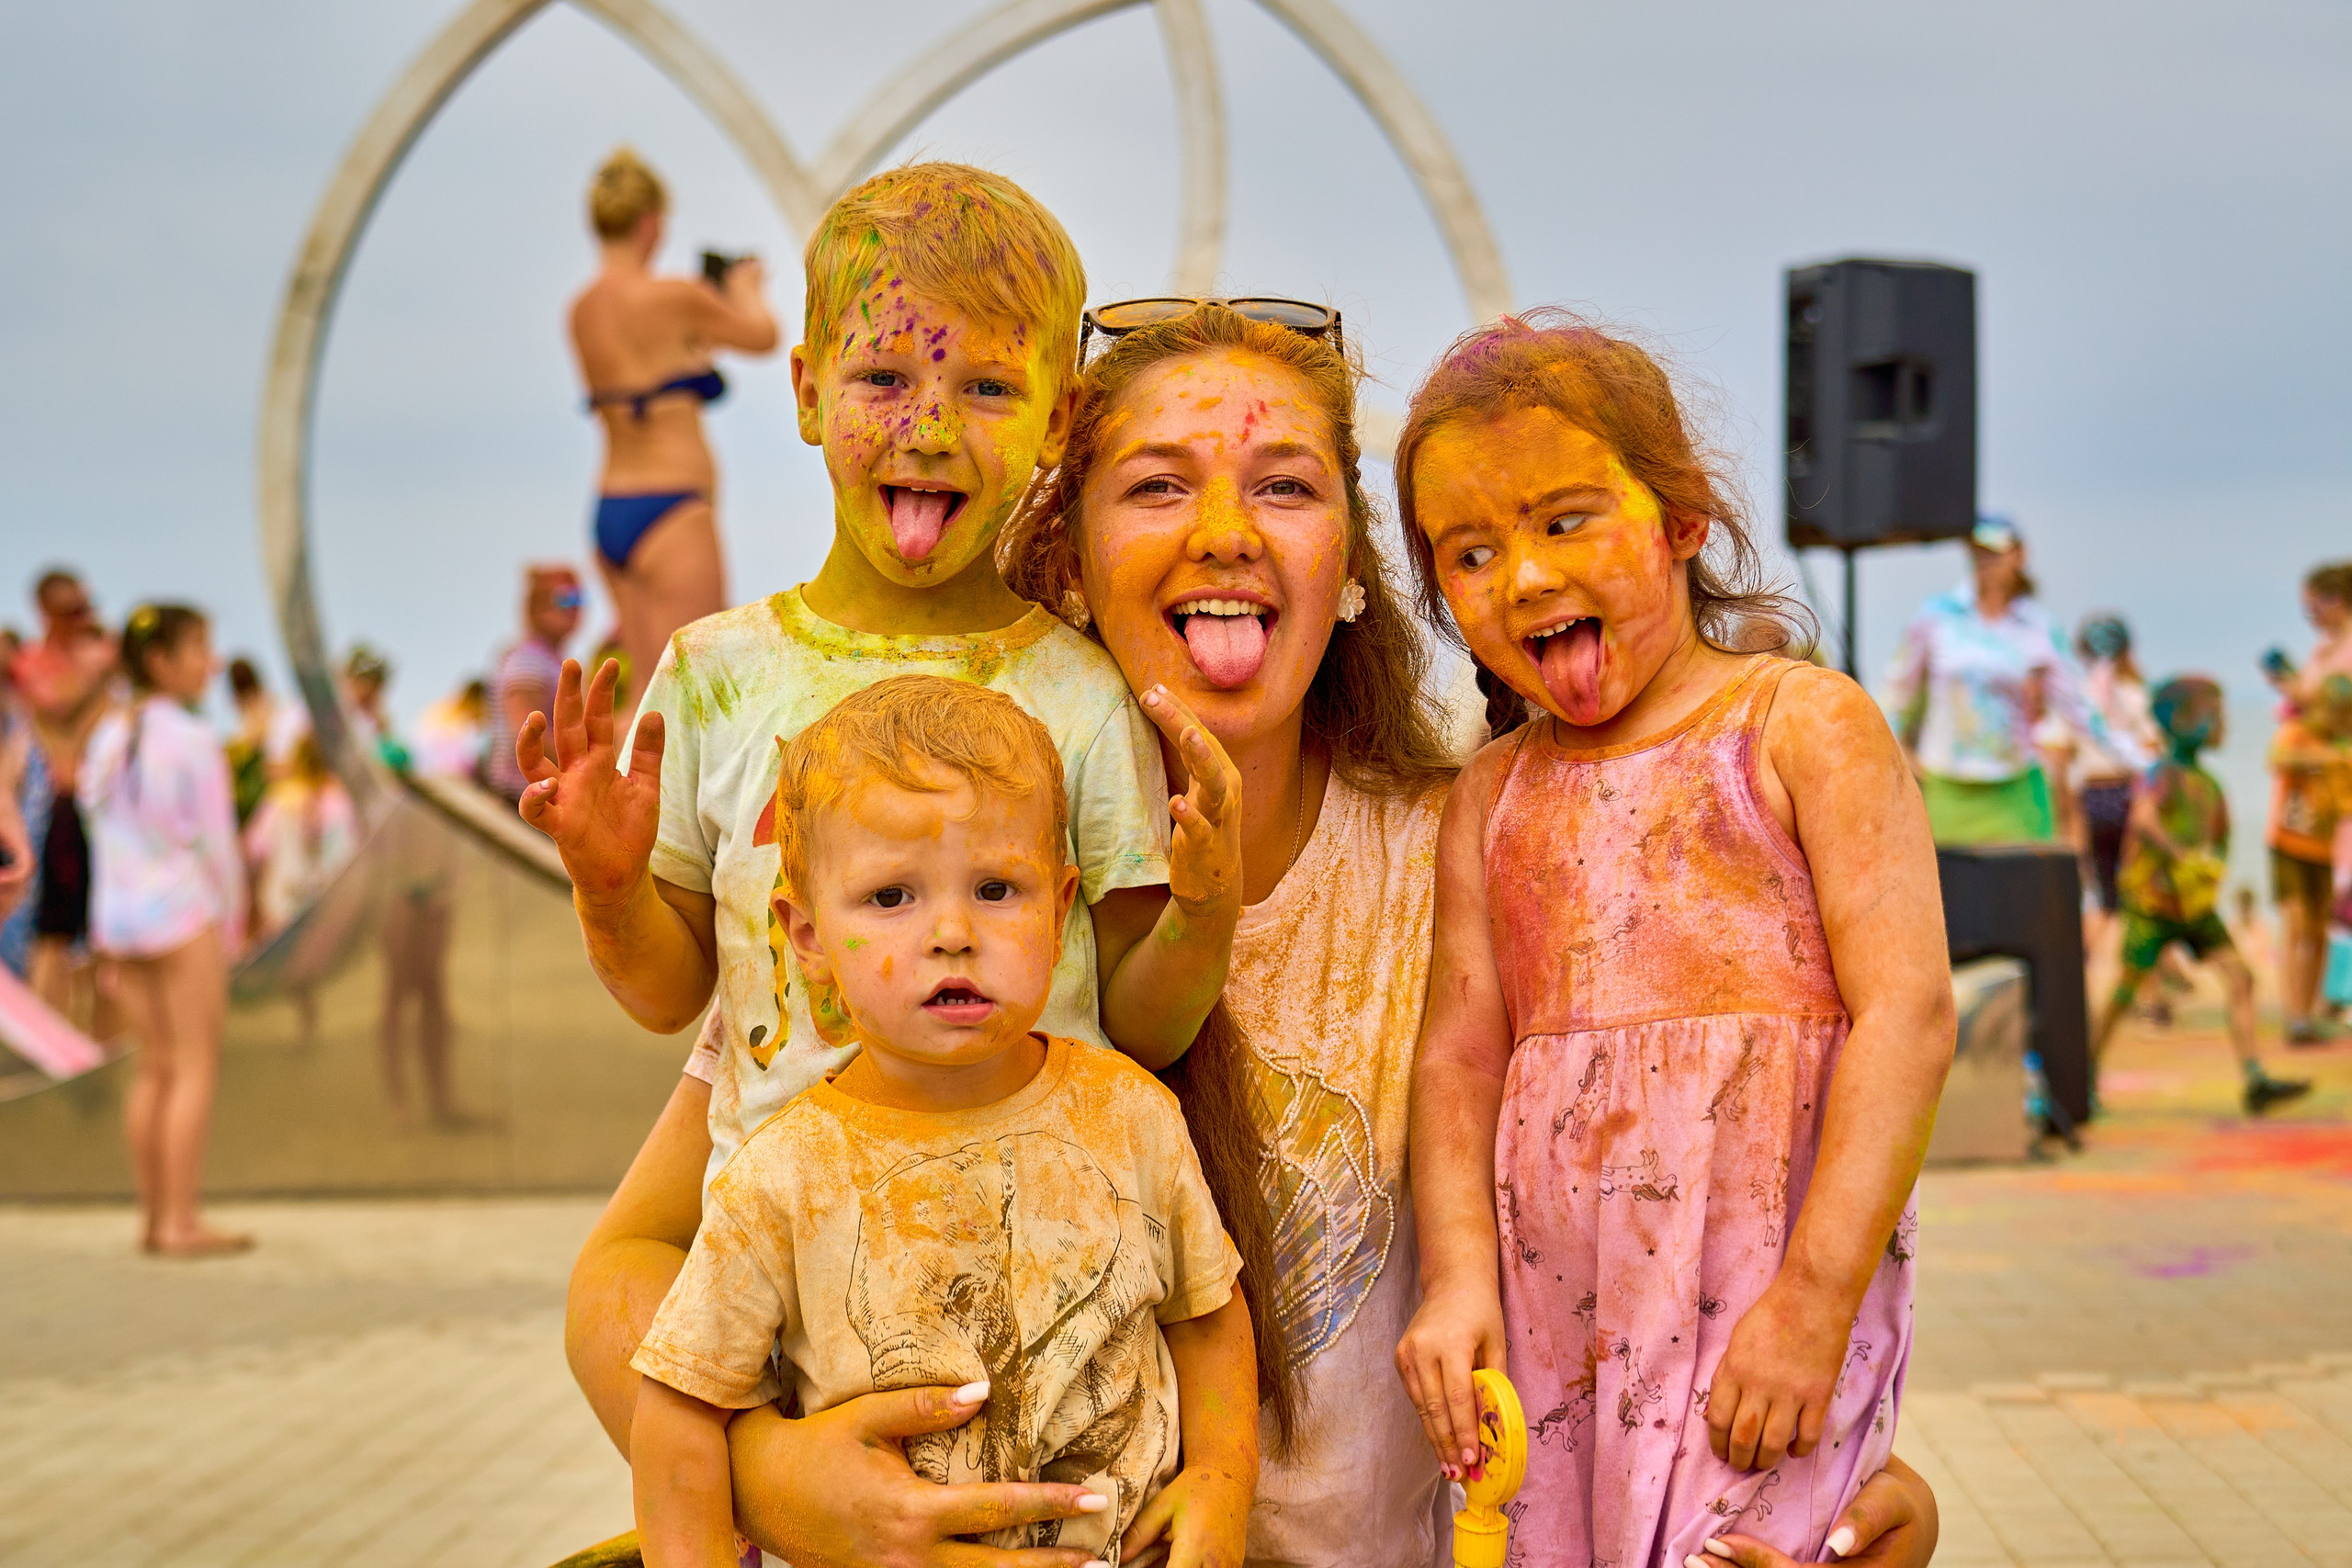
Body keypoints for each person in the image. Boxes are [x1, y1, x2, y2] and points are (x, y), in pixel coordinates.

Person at [533, 164, 1268, 1565]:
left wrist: (1205, 912)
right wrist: (615, 889)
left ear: (1056, 421)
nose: (928, 425)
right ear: (805, 391)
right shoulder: (713, 680)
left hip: (1041, 1302)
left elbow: (1142, 1016)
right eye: (882, 376)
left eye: (988, 390)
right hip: (791, 1303)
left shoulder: (1077, 692)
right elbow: (668, 992)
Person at [1391, 312, 1951, 1566]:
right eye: (1471, 552)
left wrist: (1812, 1306)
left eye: (1566, 518)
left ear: (1685, 517)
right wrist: (1455, 1281)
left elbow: (1908, 1017)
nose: (1525, 576)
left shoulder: (1802, 727)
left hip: (1764, 1321)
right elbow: (1460, 1062)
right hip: (1557, 1333)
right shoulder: (1491, 796)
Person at [629, 677, 1255, 1568]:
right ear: (805, 937)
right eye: (891, 899)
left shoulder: (1129, 1115)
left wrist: (1226, 1479)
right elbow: (677, 1410)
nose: (953, 932)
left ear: (1062, 905)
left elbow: (1208, 1312)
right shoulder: (783, 1177)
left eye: (998, 889)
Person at [571, 147, 781, 715]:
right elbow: (763, 336)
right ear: (651, 223)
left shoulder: (582, 311)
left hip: (612, 505)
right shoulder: (674, 296)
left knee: (645, 699)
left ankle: (624, 803)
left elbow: (644, 372)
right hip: (674, 511)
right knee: (696, 695)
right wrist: (745, 286)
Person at [79, 604, 251, 1256]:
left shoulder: (109, 732)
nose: (209, 661)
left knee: (152, 1068)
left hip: (118, 918)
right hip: (180, 912)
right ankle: (182, 1220)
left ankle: (154, 1219)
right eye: (198, 647)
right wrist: (233, 918)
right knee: (193, 1067)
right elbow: (217, 842)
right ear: (161, 660)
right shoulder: (190, 736)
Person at [2093, 676, 2312, 1112]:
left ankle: (2254, 1077)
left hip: (2194, 908)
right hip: (2153, 905)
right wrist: (2182, 858)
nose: (2222, 726)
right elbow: (2143, 819)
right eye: (2213, 716)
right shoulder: (2164, 774)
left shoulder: (2208, 784)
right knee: (2124, 990)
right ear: (2181, 722)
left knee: (2241, 977)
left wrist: (2212, 870)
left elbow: (2221, 836)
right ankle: (2080, 1076)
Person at [1882, 518, 2089, 845]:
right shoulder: (1937, 615)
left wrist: (2139, 762)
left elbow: (2076, 707)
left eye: (1994, 552)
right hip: (1945, 786)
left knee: (2026, 887)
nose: (1984, 561)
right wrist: (1896, 752)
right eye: (1977, 552)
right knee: (1946, 889)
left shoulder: (2037, 626)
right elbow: (1897, 691)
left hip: (2018, 784)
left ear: (2018, 556)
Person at [13, 570, 118, 1019]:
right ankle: (48, 1042)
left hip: (104, 806)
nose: (82, 618)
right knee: (52, 936)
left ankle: (99, 1041)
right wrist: (99, 676)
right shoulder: (34, 664)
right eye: (72, 610)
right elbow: (60, 713)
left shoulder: (95, 657)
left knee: (104, 935)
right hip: (61, 806)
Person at [2267, 673, 2352, 1043]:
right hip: (2288, 846)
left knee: (2319, 930)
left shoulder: (2343, 745)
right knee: (2296, 926)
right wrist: (2329, 756)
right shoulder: (2298, 733)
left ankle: (2307, 1013)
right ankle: (2294, 1013)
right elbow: (2277, 757)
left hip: (2322, 850)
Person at [2066, 614, 2158, 951]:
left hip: (2090, 799)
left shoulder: (2074, 696)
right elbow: (2151, 759)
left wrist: (2068, 819)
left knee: (2103, 897)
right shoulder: (2137, 695)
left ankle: (2085, 960)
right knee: (2136, 895)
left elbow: (2060, 761)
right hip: (2129, 797)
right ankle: (2146, 980)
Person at [486, 566, 583, 802]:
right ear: (537, 607)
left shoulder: (548, 659)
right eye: (565, 599)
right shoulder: (528, 660)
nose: (574, 608)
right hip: (522, 796)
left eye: (579, 598)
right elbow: (529, 736)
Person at [411, 676, 489, 783]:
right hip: (444, 781)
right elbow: (461, 765)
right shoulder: (462, 725)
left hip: (425, 775)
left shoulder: (439, 709)